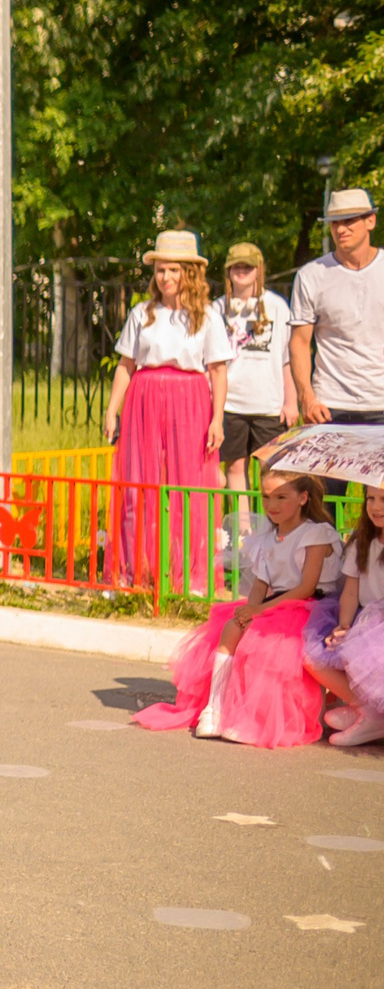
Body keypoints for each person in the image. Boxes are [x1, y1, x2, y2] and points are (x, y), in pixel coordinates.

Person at [134, 473, 339, 746]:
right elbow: (259, 585)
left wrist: (259, 612)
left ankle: (254, 719)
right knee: (232, 626)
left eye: (281, 497)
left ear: (303, 498)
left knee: (263, 641)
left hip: (309, 604)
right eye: (266, 496)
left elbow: (306, 587)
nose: (271, 504)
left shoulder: (315, 533)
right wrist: (252, 608)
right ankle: (215, 708)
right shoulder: (267, 538)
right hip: (276, 603)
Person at [102, 232, 232, 590]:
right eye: (160, 270)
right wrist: (112, 410)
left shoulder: (206, 316)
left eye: (173, 269)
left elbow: (218, 370)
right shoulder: (142, 313)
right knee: (139, 485)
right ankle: (137, 570)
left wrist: (217, 418)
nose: (165, 277)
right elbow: (126, 365)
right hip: (144, 398)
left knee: (187, 484)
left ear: (188, 273)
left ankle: (188, 573)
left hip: (190, 399)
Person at [289, 190, 383, 501]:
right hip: (329, 406)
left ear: (370, 221)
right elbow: (300, 342)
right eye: (334, 223)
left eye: (349, 221)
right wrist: (307, 396)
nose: (340, 229)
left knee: (380, 505)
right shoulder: (311, 275)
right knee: (322, 509)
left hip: (380, 402)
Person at [217, 242, 296, 541]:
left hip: (268, 403)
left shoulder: (276, 306)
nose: (241, 271)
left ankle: (273, 532)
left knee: (272, 471)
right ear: (228, 271)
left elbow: (286, 358)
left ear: (259, 270)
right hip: (230, 403)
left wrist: (291, 400)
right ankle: (242, 533)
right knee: (235, 467)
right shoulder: (216, 308)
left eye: (247, 266)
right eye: (236, 266)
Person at [304, 487, 384, 749]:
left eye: (383, 499)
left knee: (370, 655)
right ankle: (365, 708)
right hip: (362, 619)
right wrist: (344, 625)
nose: (375, 506)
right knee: (314, 657)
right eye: (370, 499)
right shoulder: (362, 540)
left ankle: (374, 715)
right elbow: (350, 591)